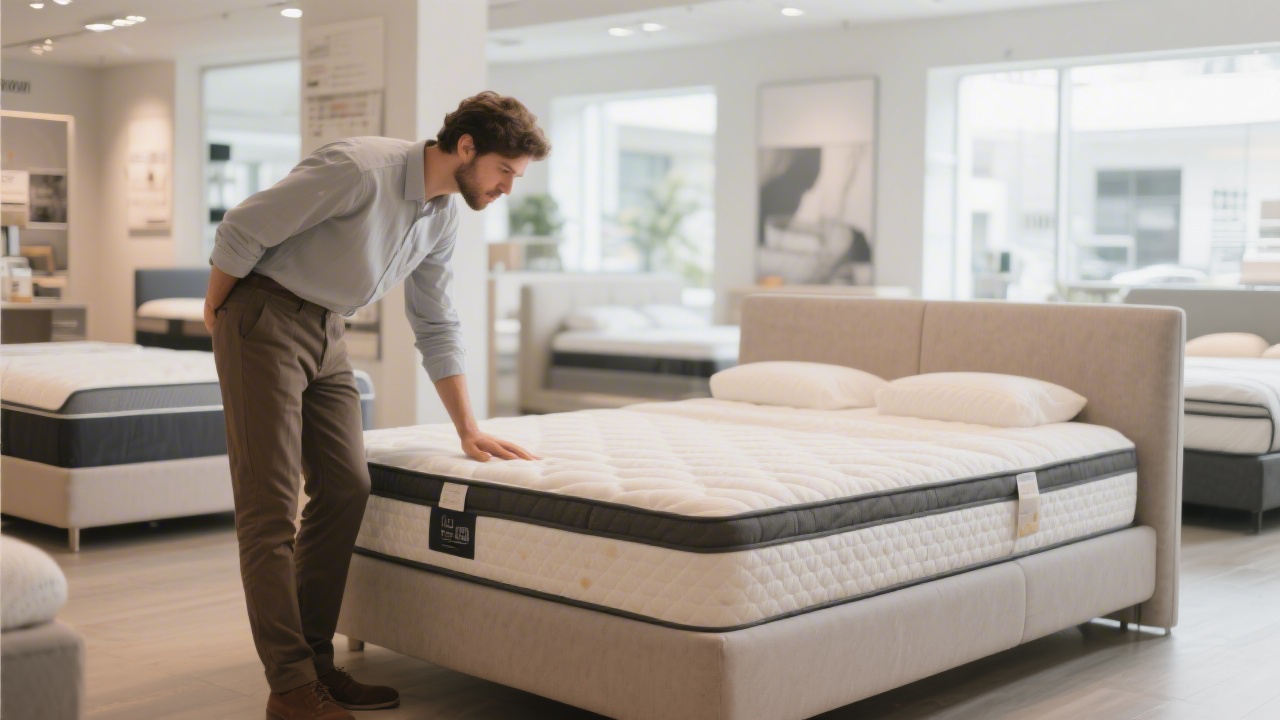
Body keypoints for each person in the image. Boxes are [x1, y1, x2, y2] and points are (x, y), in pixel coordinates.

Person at [204, 91, 549, 720]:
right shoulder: (360, 169)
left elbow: (436, 320)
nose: (506, 189)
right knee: (270, 508)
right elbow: (242, 226)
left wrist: (468, 427)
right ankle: (289, 687)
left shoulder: (443, 215)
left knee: (346, 486)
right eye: (504, 172)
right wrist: (219, 311)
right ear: (466, 148)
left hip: (330, 330)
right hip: (264, 316)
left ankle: (315, 665)